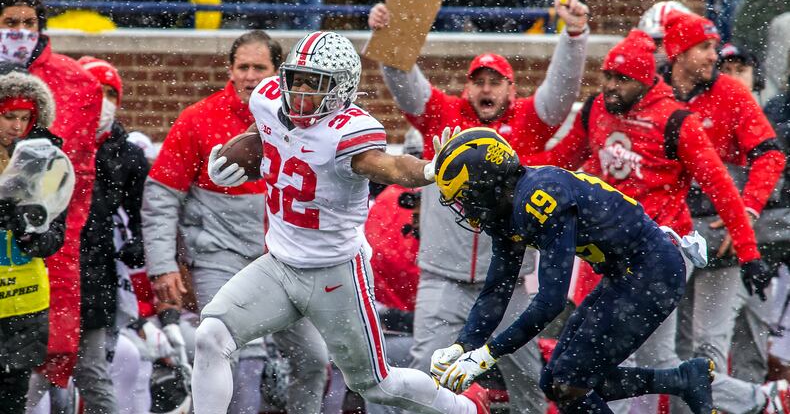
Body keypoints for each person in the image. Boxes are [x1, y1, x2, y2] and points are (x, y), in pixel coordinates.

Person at [192, 31, 490, 414]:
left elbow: (391, 166)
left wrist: (431, 169)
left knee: (376, 384)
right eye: (296, 78)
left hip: (335, 275)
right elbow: (265, 132)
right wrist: (236, 156)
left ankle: (465, 409)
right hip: (279, 265)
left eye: (315, 84)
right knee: (210, 337)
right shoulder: (267, 98)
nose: (300, 92)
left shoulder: (346, 134)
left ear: (342, 89)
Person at [527, 29, 790, 413]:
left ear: (646, 80)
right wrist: (510, 170)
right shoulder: (597, 108)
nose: (610, 87)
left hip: (663, 253)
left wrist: (748, 245)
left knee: (669, 352)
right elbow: (560, 162)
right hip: (610, 252)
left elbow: (723, 185)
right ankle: (761, 399)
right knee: (646, 360)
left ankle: (756, 398)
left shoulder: (678, 119)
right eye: (607, 77)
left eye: (621, 79)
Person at [367, 0, 590, 413]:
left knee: (526, 376)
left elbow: (560, 93)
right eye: (479, 82)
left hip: (506, 282)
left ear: (511, 89)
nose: (486, 90)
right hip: (442, 279)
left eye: (495, 82)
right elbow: (405, 83)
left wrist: (575, 35)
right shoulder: (444, 115)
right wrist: (390, 33)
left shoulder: (526, 123)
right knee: (425, 372)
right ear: (467, 88)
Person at [430, 127, 717, 414]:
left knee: (570, 383)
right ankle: (684, 379)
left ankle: (684, 379)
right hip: (626, 273)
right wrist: (463, 345)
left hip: (653, 271)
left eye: (465, 198)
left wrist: (488, 354)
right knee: (554, 383)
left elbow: (550, 302)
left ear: (487, 183)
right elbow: (497, 289)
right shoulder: (507, 209)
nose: (465, 210)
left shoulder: (538, 197)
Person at [142, 30, 330, 414]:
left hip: (282, 260)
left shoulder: (301, 122)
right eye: (242, 67)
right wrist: (162, 266)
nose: (249, 76)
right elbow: (160, 195)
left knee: (314, 356)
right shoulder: (198, 119)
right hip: (218, 258)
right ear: (229, 69)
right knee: (231, 354)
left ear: (279, 73)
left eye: (259, 68)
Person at [661, 11, 786, 393]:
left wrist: (745, 212)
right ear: (679, 52)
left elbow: (771, 155)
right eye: (705, 47)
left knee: (708, 346)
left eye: (714, 46)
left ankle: (738, 403)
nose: (713, 56)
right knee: (667, 349)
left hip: (720, 231)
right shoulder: (652, 92)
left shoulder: (730, 93)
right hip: (667, 232)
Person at [0, 0, 103, 391]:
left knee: (34, 374)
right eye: (9, 22)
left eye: (29, 22)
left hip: (34, 266)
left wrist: (44, 230)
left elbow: (75, 183)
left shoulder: (77, 85)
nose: (21, 32)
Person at [70, 56, 150, 413]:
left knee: (95, 368)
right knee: (39, 373)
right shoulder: (59, 144)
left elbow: (145, 213)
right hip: (58, 272)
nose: (101, 100)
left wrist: (139, 243)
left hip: (99, 278)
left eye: (109, 93)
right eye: (94, 90)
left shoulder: (128, 156)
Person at [0, 64, 71, 414]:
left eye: (24, 118)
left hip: (23, 302)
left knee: (13, 398)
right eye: (9, 116)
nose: (17, 126)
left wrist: (30, 229)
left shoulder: (47, 164)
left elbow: (55, 236)